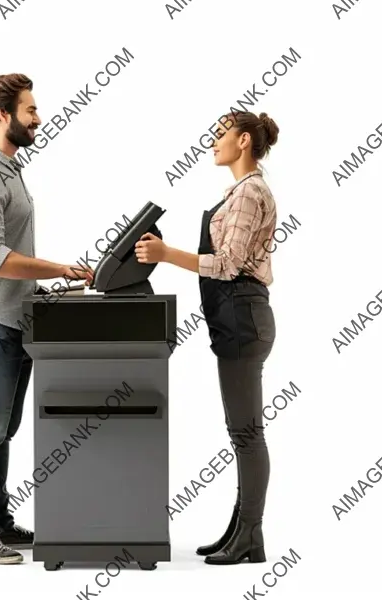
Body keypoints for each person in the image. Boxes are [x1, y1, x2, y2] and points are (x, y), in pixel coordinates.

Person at [0, 73, 93, 565]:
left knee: (3, 430)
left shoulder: (8, 168)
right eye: (30, 110)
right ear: (4, 115)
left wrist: (44, 286)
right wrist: (59, 267)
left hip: (13, 314)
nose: (38, 117)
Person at [135, 110, 279, 566]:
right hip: (237, 317)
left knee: (247, 433)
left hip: (243, 317)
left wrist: (165, 253)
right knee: (242, 432)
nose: (213, 142)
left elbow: (230, 264)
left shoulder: (249, 193)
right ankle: (243, 532)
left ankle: (250, 535)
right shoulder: (238, 193)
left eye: (220, 135)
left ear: (243, 141)